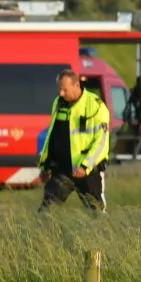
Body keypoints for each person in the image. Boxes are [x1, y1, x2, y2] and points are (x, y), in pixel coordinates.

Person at [38, 68, 111, 212]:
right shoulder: (59, 103)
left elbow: (101, 143)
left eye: (65, 90)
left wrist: (85, 166)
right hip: (62, 169)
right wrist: (46, 165)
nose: (61, 93)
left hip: (86, 171)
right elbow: (53, 136)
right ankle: (44, 235)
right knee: (46, 212)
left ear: (76, 85)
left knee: (95, 213)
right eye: (60, 89)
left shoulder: (96, 106)